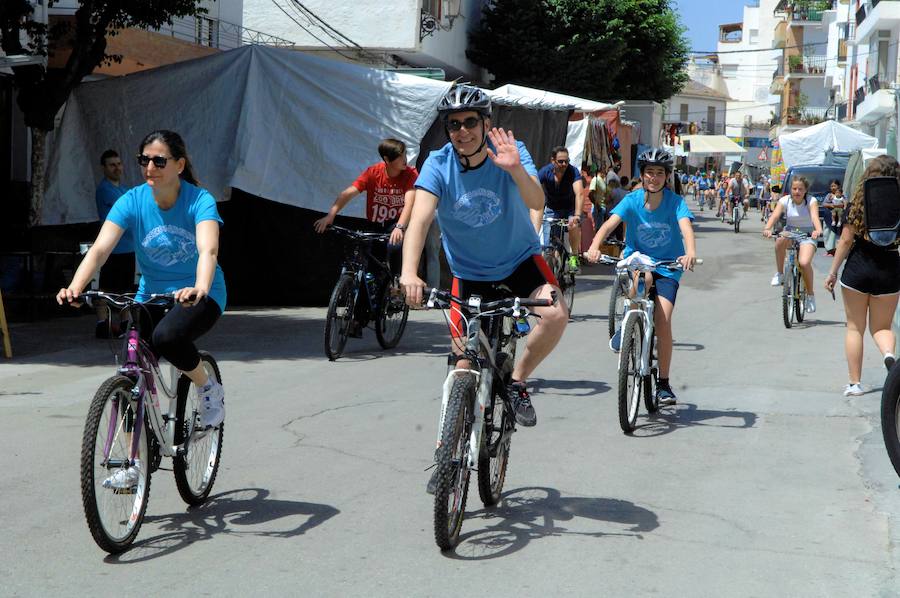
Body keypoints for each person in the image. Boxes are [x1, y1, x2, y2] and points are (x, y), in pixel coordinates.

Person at [58, 129, 227, 487]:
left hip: (202, 292)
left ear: (179, 165)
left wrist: (199, 287)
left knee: (168, 337)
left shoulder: (200, 201)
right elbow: (101, 249)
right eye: (144, 160)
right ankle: (134, 460)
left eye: (159, 161)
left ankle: (206, 385)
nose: (149, 167)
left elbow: (208, 250)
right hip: (151, 294)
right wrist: (76, 286)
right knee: (130, 364)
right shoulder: (131, 200)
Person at [400, 84, 568, 430]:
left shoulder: (510, 150)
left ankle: (517, 381)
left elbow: (537, 201)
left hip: (520, 261)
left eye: (470, 122)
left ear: (485, 123)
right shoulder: (438, 162)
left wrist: (515, 170)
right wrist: (409, 272)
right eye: (454, 124)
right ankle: (449, 454)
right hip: (469, 272)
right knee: (463, 365)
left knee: (554, 314)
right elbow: (420, 218)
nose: (462, 131)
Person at [585, 147, 697, 405]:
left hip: (668, 266)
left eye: (659, 173)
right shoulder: (633, 200)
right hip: (638, 260)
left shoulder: (675, 202)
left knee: (663, 319)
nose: (654, 178)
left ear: (666, 177)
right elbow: (609, 224)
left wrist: (690, 251)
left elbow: (686, 228)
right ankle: (628, 325)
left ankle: (664, 384)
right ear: (642, 176)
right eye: (649, 173)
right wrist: (594, 247)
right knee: (640, 283)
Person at [825, 155, 900, 396]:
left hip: (858, 268)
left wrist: (833, 271)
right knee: (882, 327)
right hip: (889, 269)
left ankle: (855, 383)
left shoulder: (858, 201)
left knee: (855, 328)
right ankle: (889, 356)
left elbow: (846, 240)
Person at [313, 138, 418, 269]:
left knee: (395, 248)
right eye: (400, 156)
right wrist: (331, 215)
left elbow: (409, 203)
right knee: (368, 262)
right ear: (387, 159)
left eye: (405, 154)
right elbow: (348, 193)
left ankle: (396, 285)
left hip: (396, 223)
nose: (405, 159)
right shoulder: (373, 173)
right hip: (374, 225)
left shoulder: (410, 174)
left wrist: (399, 227)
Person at [763, 176, 822, 312]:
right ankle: (780, 273)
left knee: (804, 263)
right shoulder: (785, 200)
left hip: (807, 234)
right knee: (779, 240)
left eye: (800, 189)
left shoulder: (811, 201)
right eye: (794, 188)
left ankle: (810, 295)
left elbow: (814, 217)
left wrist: (817, 230)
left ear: (805, 190)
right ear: (790, 189)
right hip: (791, 231)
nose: (797, 191)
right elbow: (775, 215)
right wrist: (767, 228)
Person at [94, 149, 135, 338]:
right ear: (104, 168)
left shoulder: (126, 189)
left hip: (128, 247)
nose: (117, 168)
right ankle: (102, 324)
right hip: (112, 248)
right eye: (112, 164)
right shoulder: (104, 190)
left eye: (118, 164)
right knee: (106, 289)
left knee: (126, 289)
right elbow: (128, 211)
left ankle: (125, 324)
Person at [538, 146, 584, 268]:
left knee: (573, 225)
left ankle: (574, 256)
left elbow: (579, 193)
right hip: (552, 209)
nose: (564, 164)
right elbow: (533, 186)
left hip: (570, 209)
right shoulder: (545, 172)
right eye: (560, 161)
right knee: (550, 246)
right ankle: (554, 268)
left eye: (566, 161)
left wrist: (577, 215)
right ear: (553, 161)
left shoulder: (573, 171)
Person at [822, 179, 845, 256]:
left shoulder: (842, 195)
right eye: (831, 186)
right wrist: (830, 205)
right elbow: (824, 204)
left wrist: (839, 206)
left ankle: (837, 251)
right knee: (828, 234)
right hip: (829, 217)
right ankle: (830, 251)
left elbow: (845, 204)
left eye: (834, 186)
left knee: (837, 234)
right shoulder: (829, 195)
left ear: (838, 186)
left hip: (839, 218)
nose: (833, 188)